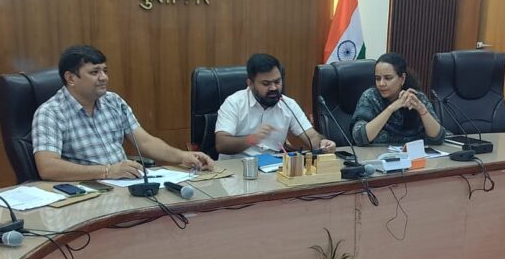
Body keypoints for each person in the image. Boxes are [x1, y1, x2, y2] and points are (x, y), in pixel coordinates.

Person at [33, 45, 214, 181]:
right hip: (87, 190)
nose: (104, 77)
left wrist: (183, 156)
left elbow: (145, 142)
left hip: (123, 185)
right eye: (94, 72)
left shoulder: (113, 102)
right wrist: (107, 171)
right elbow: (48, 167)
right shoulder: (50, 113)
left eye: (105, 71)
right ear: (71, 78)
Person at [215, 53, 336, 159]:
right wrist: (252, 139)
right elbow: (222, 144)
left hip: (272, 168)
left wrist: (322, 143)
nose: (273, 88)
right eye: (266, 84)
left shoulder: (288, 105)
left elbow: (311, 136)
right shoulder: (234, 103)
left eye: (277, 82)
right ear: (250, 83)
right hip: (235, 168)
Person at [351, 52, 446, 146]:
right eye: (378, 78)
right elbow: (359, 137)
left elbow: (438, 138)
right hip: (377, 154)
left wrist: (422, 110)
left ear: (402, 78)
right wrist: (391, 108)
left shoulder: (415, 97)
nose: (381, 84)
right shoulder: (371, 97)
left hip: (412, 155)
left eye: (388, 78)